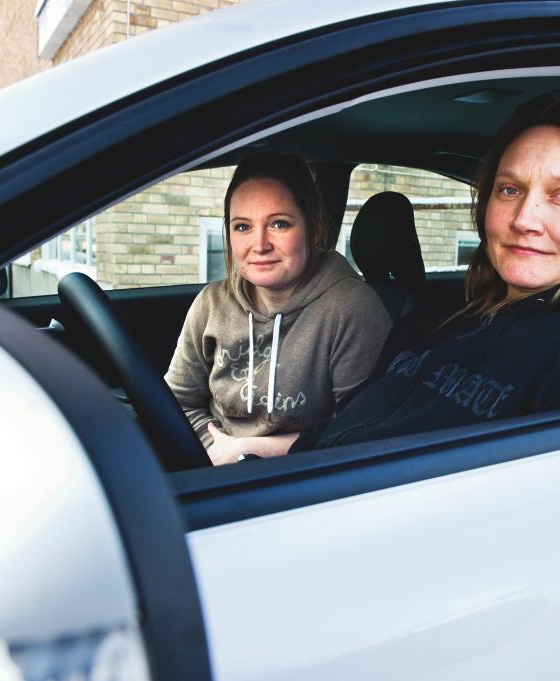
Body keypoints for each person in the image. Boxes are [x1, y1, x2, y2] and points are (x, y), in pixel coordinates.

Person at [208, 95, 560, 461]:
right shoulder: (445, 317)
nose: (524, 218)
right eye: (509, 189)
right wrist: (241, 452)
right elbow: (340, 435)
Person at [165, 152, 392, 465]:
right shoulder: (211, 303)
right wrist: (216, 450)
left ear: (313, 229)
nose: (259, 245)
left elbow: (359, 430)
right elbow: (176, 402)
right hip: (213, 466)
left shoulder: (352, 310)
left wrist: (249, 451)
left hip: (302, 475)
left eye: (279, 224)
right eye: (242, 227)